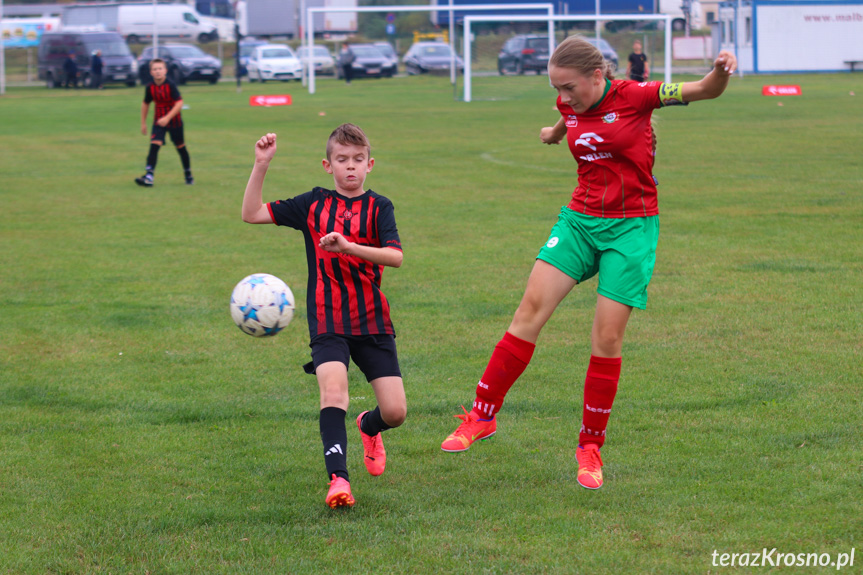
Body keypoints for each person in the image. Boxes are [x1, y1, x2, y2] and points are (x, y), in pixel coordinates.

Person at [440, 35, 737, 490]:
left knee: (606, 337)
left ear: (597, 77)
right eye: (555, 89)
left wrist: (720, 71)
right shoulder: (569, 105)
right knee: (529, 312)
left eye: (569, 87)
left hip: (631, 228)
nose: (562, 97)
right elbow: (568, 118)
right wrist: (552, 132)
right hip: (579, 221)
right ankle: (481, 416)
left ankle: (590, 446)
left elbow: (702, 90)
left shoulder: (636, 96)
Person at [241, 124, 407, 509]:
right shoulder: (312, 204)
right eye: (342, 160)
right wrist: (261, 164)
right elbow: (250, 214)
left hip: (371, 319)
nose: (350, 167)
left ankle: (369, 426)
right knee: (333, 392)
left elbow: (395, 256)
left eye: (358, 160)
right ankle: (339, 480)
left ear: (370, 164)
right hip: (327, 318)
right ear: (327, 165)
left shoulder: (380, 207)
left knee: (396, 413)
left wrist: (349, 247)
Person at [135, 58, 193, 187]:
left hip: (175, 122)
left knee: (180, 147)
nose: (157, 72)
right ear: (151, 72)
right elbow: (145, 103)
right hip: (158, 121)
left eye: (160, 69)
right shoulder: (150, 87)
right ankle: (149, 176)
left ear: (165, 70)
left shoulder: (170, 85)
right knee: (154, 145)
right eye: (155, 69)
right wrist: (143, 123)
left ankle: (188, 174)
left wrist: (167, 118)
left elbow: (179, 103)